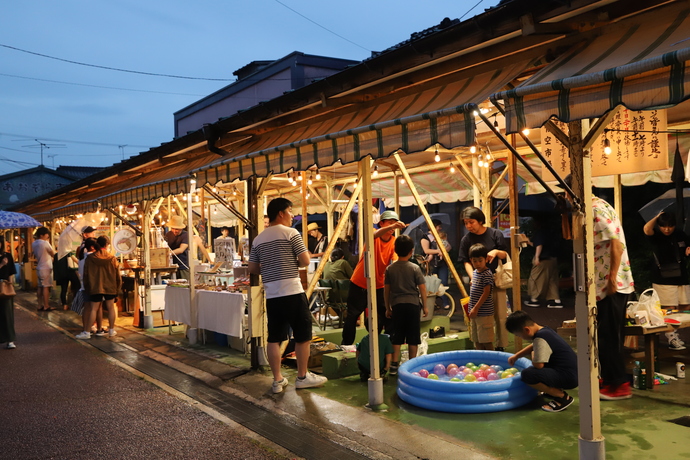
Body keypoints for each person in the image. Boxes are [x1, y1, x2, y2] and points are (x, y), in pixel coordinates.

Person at [565, 175, 634, 400]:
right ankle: (610, 379)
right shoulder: (595, 207)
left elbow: (615, 242)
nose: (566, 196)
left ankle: (619, 385)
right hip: (605, 282)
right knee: (605, 334)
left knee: (608, 336)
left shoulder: (596, 209)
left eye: (567, 192)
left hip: (609, 283)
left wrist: (612, 277)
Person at [248, 197, 328, 393]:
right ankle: (302, 377)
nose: (293, 216)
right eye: (290, 211)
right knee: (303, 335)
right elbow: (305, 260)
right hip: (292, 291)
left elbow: (252, 268)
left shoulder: (258, 239)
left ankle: (277, 381)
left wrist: (270, 270)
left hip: (272, 294)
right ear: (281, 213)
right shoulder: (291, 233)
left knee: (274, 337)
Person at [341, 210, 407, 345]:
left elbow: (394, 261)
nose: (392, 228)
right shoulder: (374, 234)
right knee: (352, 315)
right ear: (381, 223)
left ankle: (385, 343)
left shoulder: (394, 242)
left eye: (395, 225)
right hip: (359, 282)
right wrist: (392, 227)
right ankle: (346, 345)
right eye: (389, 223)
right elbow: (374, 234)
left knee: (386, 314)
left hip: (379, 284)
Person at [506, 310, 578, 412]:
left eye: (519, 335)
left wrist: (534, 354)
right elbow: (534, 346)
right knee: (539, 367)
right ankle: (551, 390)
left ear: (527, 330)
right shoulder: (545, 330)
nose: (520, 338)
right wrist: (517, 356)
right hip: (573, 372)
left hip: (569, 377)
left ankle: (562, 397)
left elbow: (538, 365)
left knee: (528, 374)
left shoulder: (540, 339)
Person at [458, 207, 509, 351]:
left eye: (471, 222)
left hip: (496, 279)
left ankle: (500, 346)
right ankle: (481, 346)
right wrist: (473, 276)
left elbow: (505, 255)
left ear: (480, 221)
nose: (468, 226)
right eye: (466, 223)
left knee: (500, 315)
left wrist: (496, 251)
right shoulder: (466, 239)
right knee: (480, 316)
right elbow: (465, 261)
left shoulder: (495, 233)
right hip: (478, 281)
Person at [643, 211, 689, 350]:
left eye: (670, 226)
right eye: (664, 226)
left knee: (685, 307)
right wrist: (657, 217)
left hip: (681, 276)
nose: (667, 229)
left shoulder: (680, 234)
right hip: (662, 277)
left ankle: (677, 335)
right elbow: (646, 229)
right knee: (669, 309)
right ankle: (671, 338)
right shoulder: (656, 235)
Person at [384, 234, 427, 374]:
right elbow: (422, 288)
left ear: (395, 250)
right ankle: (412, 365)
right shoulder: (414, 268)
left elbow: (387, 290)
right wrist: (425, 306)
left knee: (397, 336)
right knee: (413, 337)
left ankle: (394, 365)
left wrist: (387, 307)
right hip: (413, 305)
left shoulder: (390, 269)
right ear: (411, 251)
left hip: (397, 305)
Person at [78, 236, 121, 340]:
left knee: (93, 309)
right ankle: (111, 330)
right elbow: (117, 275)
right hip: (110, 286)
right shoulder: (112, 258)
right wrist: (118, 289)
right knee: (111, 308)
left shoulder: (90, 258)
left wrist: (88, 287)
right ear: (107, 244)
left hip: (95, 286)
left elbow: (86, 274)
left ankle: (87, 332)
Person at [524, 217, 562, 309]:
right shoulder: (552, 232)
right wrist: (529, 242)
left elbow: (539, 245)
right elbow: (538, 244)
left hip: (543, 259)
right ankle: (556, 300)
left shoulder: (540, 232)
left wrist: (537, 257)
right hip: (553, 259)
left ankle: (534, 299)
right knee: (552, 280)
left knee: (535, 278)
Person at [73, 238, 105, 337]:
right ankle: (92, 330)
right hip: (94, 286)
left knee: (88, 308)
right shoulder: (93, 258)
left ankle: (86, 329)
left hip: (85, 286)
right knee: (95, 308)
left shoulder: (82, 258)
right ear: (92, 247)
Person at [466, 243, 495, 350]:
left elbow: (486, 292)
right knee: (476, 339)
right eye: (474, 261)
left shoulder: (487, 273)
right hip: (475, 312)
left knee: (486, 340)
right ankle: (480, 361)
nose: (477, 264)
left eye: (480, 260)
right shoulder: (475, 273)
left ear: (486, 259)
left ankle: (491, 362)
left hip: (484, 312)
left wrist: (476, 308)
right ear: (471, 260)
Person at [421, 220, 451, 309]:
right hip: (431, 264)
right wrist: (439, 251)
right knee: (431, 285)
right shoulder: (425, 237)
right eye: (439, 226)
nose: (440, 228)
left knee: (444, 283)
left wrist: (445, 250)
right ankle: (432, 303)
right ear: (432, 226)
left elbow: (449, 246)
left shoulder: (441, 235)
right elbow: (426, 250)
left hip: (442, 263)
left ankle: (445, 302)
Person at [32, 227, 56, 311]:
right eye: (47, 234)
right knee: (46, 287)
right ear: (41, 235)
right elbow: (53, 254)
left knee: (40, 287)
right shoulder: (45, 243)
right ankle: (46, 305)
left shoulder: (34, 243)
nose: (48, 236)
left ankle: (39, 305)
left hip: (39, 267)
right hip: (46, 267)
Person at [0, 236, 17, 349]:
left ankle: (10, 339)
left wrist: (11, 286)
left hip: (5, 286)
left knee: (7, 314)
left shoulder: (8, 255)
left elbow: (11, 272)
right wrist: (1, 264)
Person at [165, 215, 190, 280]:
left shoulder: (186, 235)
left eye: (177, 229)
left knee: (184, 286)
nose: (174, 231)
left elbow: (181, 249)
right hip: (171, 265)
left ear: (181, 228)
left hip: (182, 265)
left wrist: (168, 253)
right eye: (173, 228)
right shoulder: (168, 234)